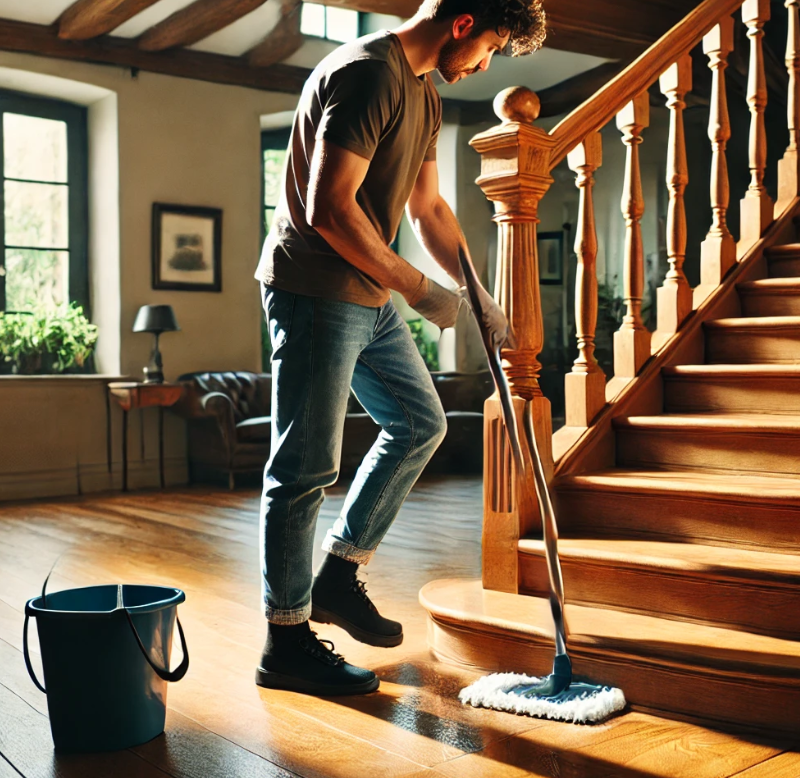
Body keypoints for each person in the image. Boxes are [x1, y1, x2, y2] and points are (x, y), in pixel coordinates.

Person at [253, 0, 547, 696]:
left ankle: (336, 575)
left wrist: (478, 293)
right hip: (316, 286)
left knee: (420, 423)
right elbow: (329, 207)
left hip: (367, 293)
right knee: (303, 470)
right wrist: (417, 287)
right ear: (463, 23)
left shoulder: (423, 92)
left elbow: (429, 209)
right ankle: (286, 641)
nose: (482, 67)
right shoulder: (366, 73)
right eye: (490, 50)